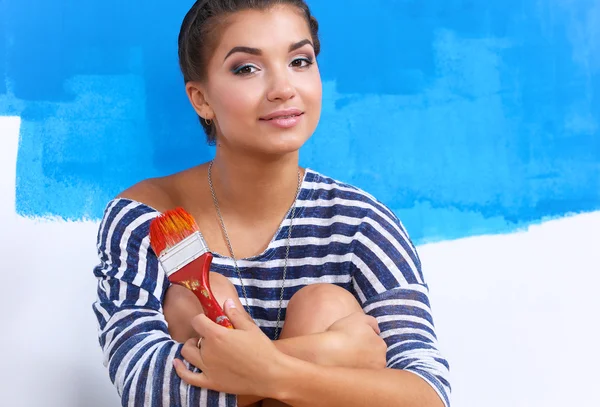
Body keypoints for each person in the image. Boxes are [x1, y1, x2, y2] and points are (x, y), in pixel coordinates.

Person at [92, 1, 451, 406]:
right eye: (247, 68)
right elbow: (143, 386)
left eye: (300, 61)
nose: (284, 88)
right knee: (196, 298)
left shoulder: (362, 224)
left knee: (324, 304)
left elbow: (427, 395)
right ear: (201, 98)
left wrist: (271, 371)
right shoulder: (146, 216)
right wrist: (330, 354)